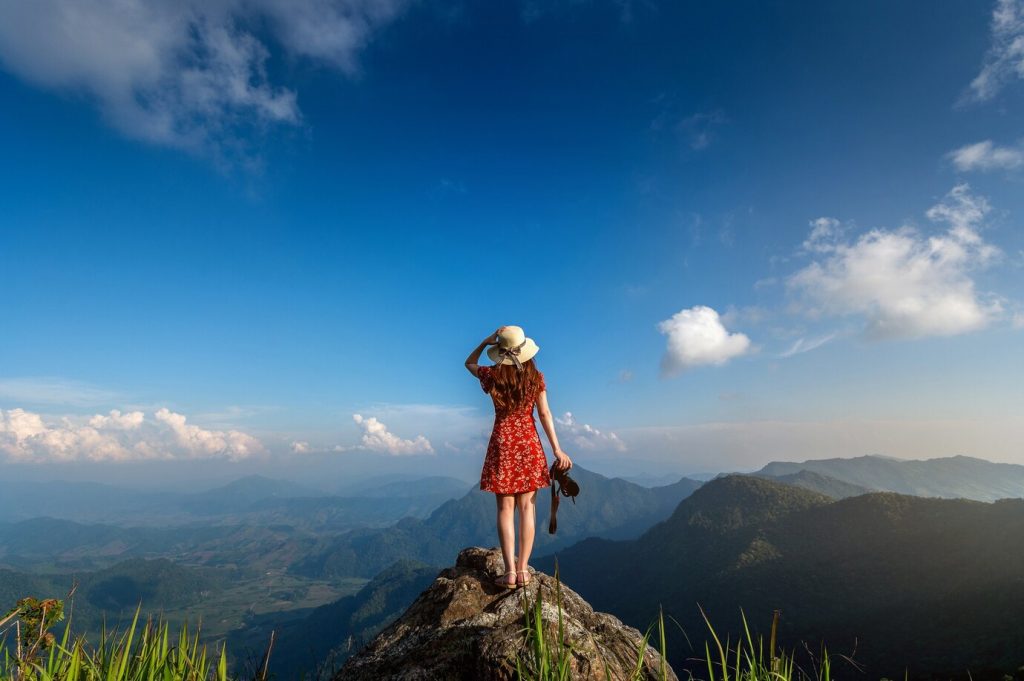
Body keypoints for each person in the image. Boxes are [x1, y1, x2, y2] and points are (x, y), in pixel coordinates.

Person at [465, 325, 573, 589]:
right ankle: (524, 571)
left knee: (505, 508)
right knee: (527, 508)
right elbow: (545, 414)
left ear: (500, 351)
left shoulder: (491, 375)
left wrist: (484, 341)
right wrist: (557, 449)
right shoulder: (536, 377)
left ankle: (510, 572)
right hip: (528, 441)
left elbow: (469, 362)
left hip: (503, 440)